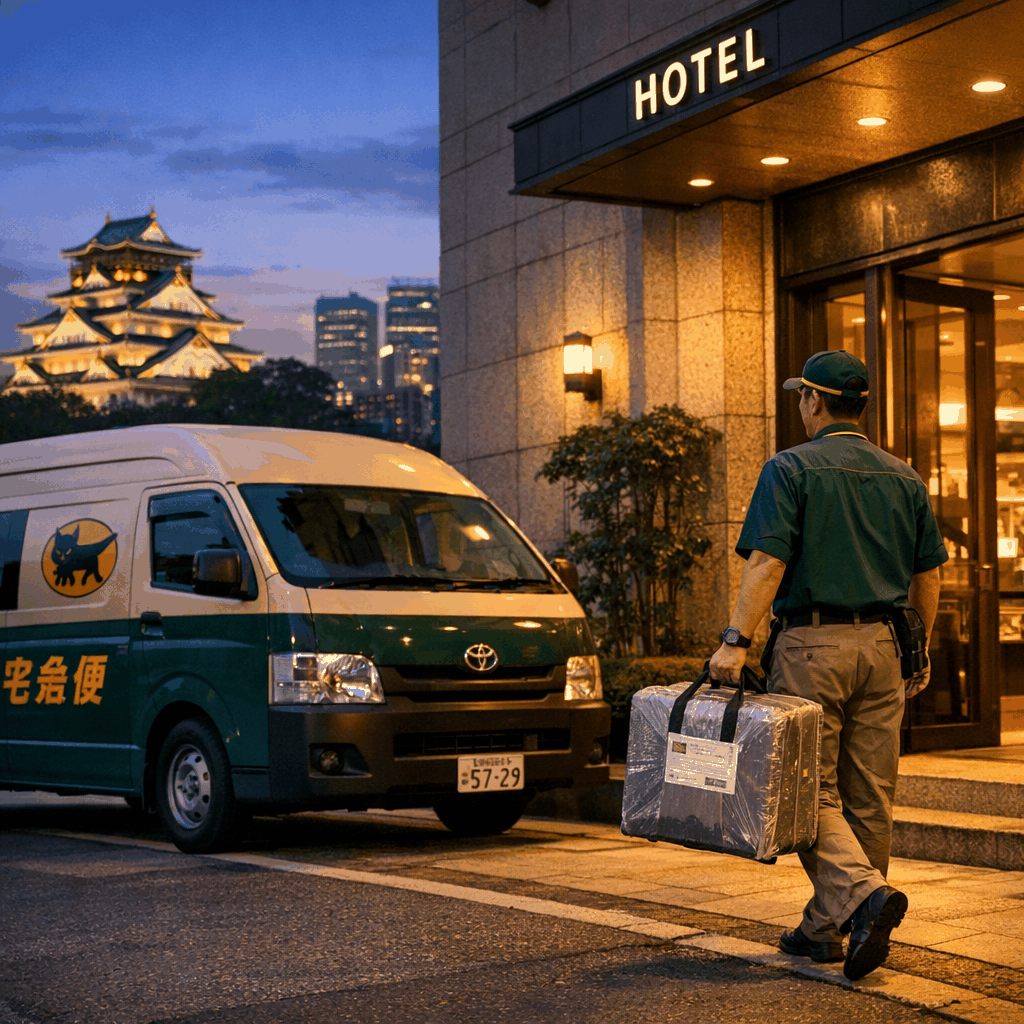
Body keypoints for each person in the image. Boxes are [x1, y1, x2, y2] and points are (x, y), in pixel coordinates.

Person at [709, 350, 945, 981]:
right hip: (885, 649)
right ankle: (826, 926)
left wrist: (736, 640)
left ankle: (864, 898)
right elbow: (928, 574)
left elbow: (767, 563)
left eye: (801, 396)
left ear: (814, 400)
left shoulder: (790, 468)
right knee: (871, 794)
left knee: (801, 788)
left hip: (811, 647)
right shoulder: (905, 476)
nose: (800, 405)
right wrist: (919, 646)